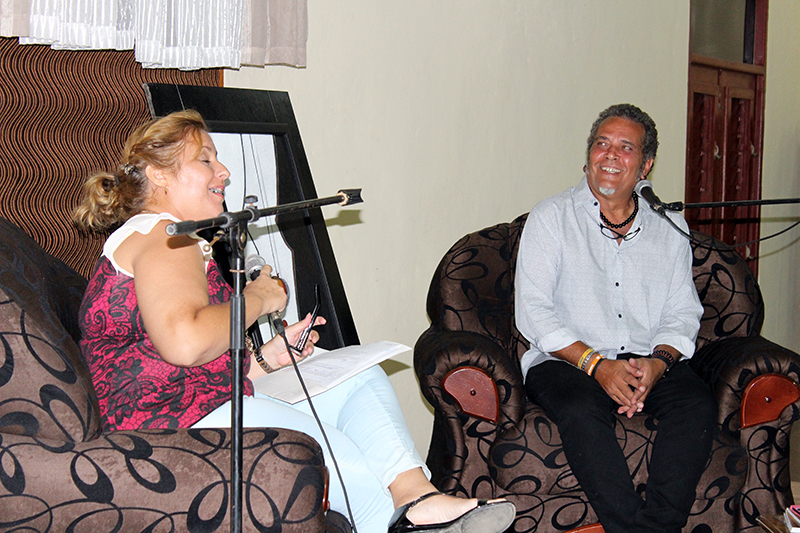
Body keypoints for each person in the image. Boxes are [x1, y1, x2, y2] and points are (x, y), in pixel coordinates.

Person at [74, 109, 515, 533]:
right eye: (205, 159)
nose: (223, 171)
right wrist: (256, 298)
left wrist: (267, 359)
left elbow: (172, 356)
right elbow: (185, 343)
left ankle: (419, 499)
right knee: (342, 464)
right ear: (158, 174)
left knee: (359, 378)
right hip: (164, 422)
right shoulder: (162, 234)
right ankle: (400, 519)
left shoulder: (161, 237)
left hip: (194, 401)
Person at [513, 104, 717, 533]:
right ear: (588, 155)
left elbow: (682, 311)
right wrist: (597, 365)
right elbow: (533, 311)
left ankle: (658, 526)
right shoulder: (551, 217)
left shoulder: (669, 225)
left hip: (645, 358)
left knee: (695, 405)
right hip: (567, 360)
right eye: (601, 143)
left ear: (646, 164)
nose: (610, 154)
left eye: (626, 147)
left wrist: (659, 363)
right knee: (580, 408)